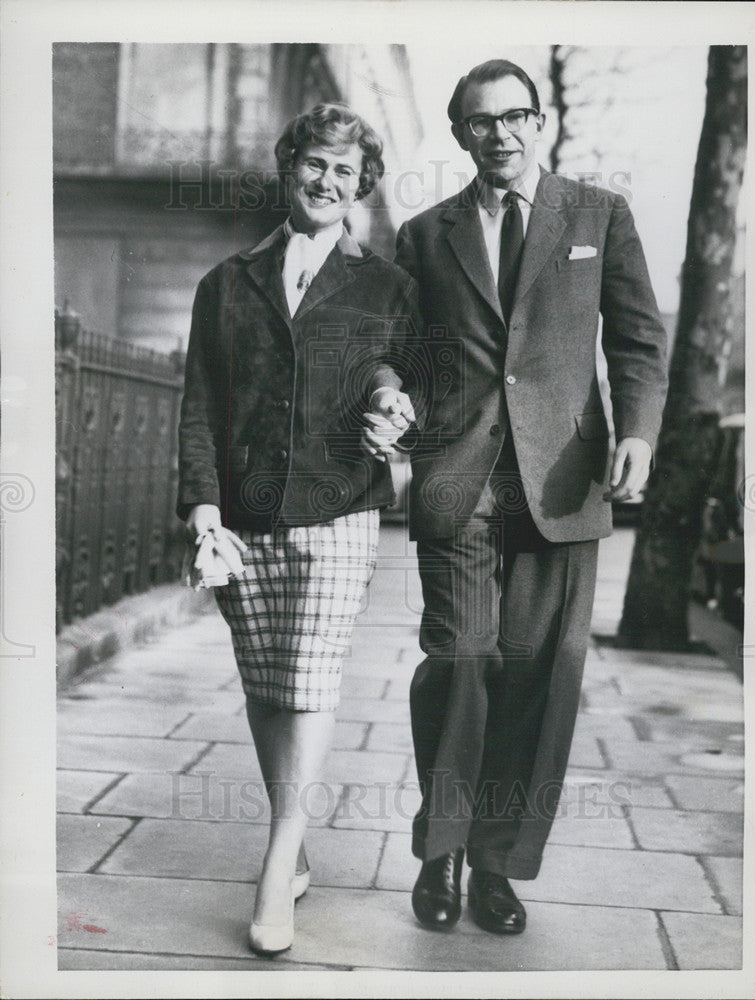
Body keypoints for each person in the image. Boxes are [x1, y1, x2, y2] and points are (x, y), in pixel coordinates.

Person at [392, 59, 669, 935]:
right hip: (460, 477)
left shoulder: (596, 214)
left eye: (515, 117)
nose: (500, 134)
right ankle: (439, 851)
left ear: (538, 121)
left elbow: (636, 338)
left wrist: (637, 431)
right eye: (481, 122)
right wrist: (388, 392)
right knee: (464, 660)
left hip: (561, 480)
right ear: (459, 133)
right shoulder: (424, 234)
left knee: (539, 675)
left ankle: (496, 864)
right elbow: (399, 349)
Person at [177, 102, 417, 955]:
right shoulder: (226, 282)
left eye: (345, 173)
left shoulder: (387, 285)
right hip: (243, 516)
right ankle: (298, 833)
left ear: (362, 187)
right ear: (288, 167)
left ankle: (276, 866)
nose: (327, 182)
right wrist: (203, 505)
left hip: (336, 508)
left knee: (309, 681)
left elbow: (399, 374)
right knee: (267, 683)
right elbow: (200, 403)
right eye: (315, 164)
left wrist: (393, 405)